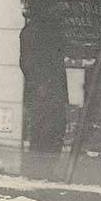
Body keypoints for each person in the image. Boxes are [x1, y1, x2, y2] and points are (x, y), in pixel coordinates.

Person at [19, 9, 68, 154]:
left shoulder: (47, 32)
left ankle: (44, 165)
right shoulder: (33, 32)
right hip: (43, 90)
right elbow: (27, 63)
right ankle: (41, 167)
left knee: (52, 128)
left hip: (50, 89)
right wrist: (40, 83)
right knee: (45, 129)